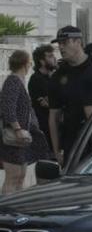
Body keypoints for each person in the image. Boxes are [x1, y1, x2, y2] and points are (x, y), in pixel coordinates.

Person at [1, 51, 50, 194]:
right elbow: (8, 108)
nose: (31, 65)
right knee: (13, 177)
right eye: (30, 62)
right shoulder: (13, 81)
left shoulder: (19, 81)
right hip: (14, 138)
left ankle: (17, 208)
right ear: (24, 63)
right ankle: (7, 210)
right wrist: (17, 129)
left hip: (21, 140)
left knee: (20, 176)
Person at [48, 26, 92, 166]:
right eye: (59, 44)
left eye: (65, 43)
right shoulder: (58, 76)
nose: (61, 47)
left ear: (78, 42)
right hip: (73, 144)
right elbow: (53, 116)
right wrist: (56, 152)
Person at [28, 44, 57, 140]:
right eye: (50, 56)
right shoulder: (36, 79)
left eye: (53, 55)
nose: (54, 58)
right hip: (44, 128)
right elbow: (51, 102)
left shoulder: (51, 78)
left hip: (55, 125)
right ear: (42, 61)